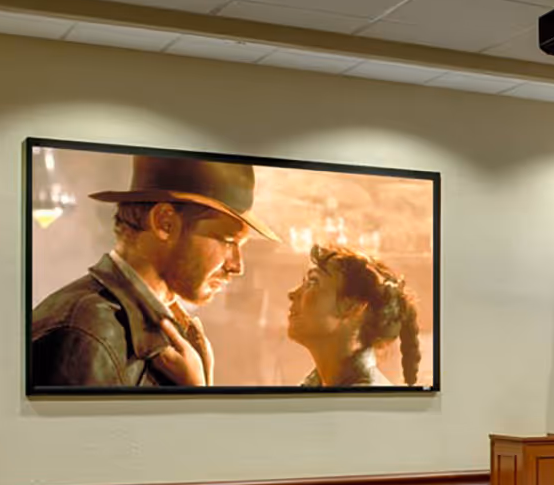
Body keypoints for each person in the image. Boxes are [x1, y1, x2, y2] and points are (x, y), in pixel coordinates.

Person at [29, 155, 279, 387]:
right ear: (165, 223)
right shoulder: (86, 336)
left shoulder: (160, 327)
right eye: (227, 240)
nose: (237, 266)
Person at [287, 243, 422, 388]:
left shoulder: (368, 402)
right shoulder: (315, 386)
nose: (292, 293)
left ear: (352, 307)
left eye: (313, 282)